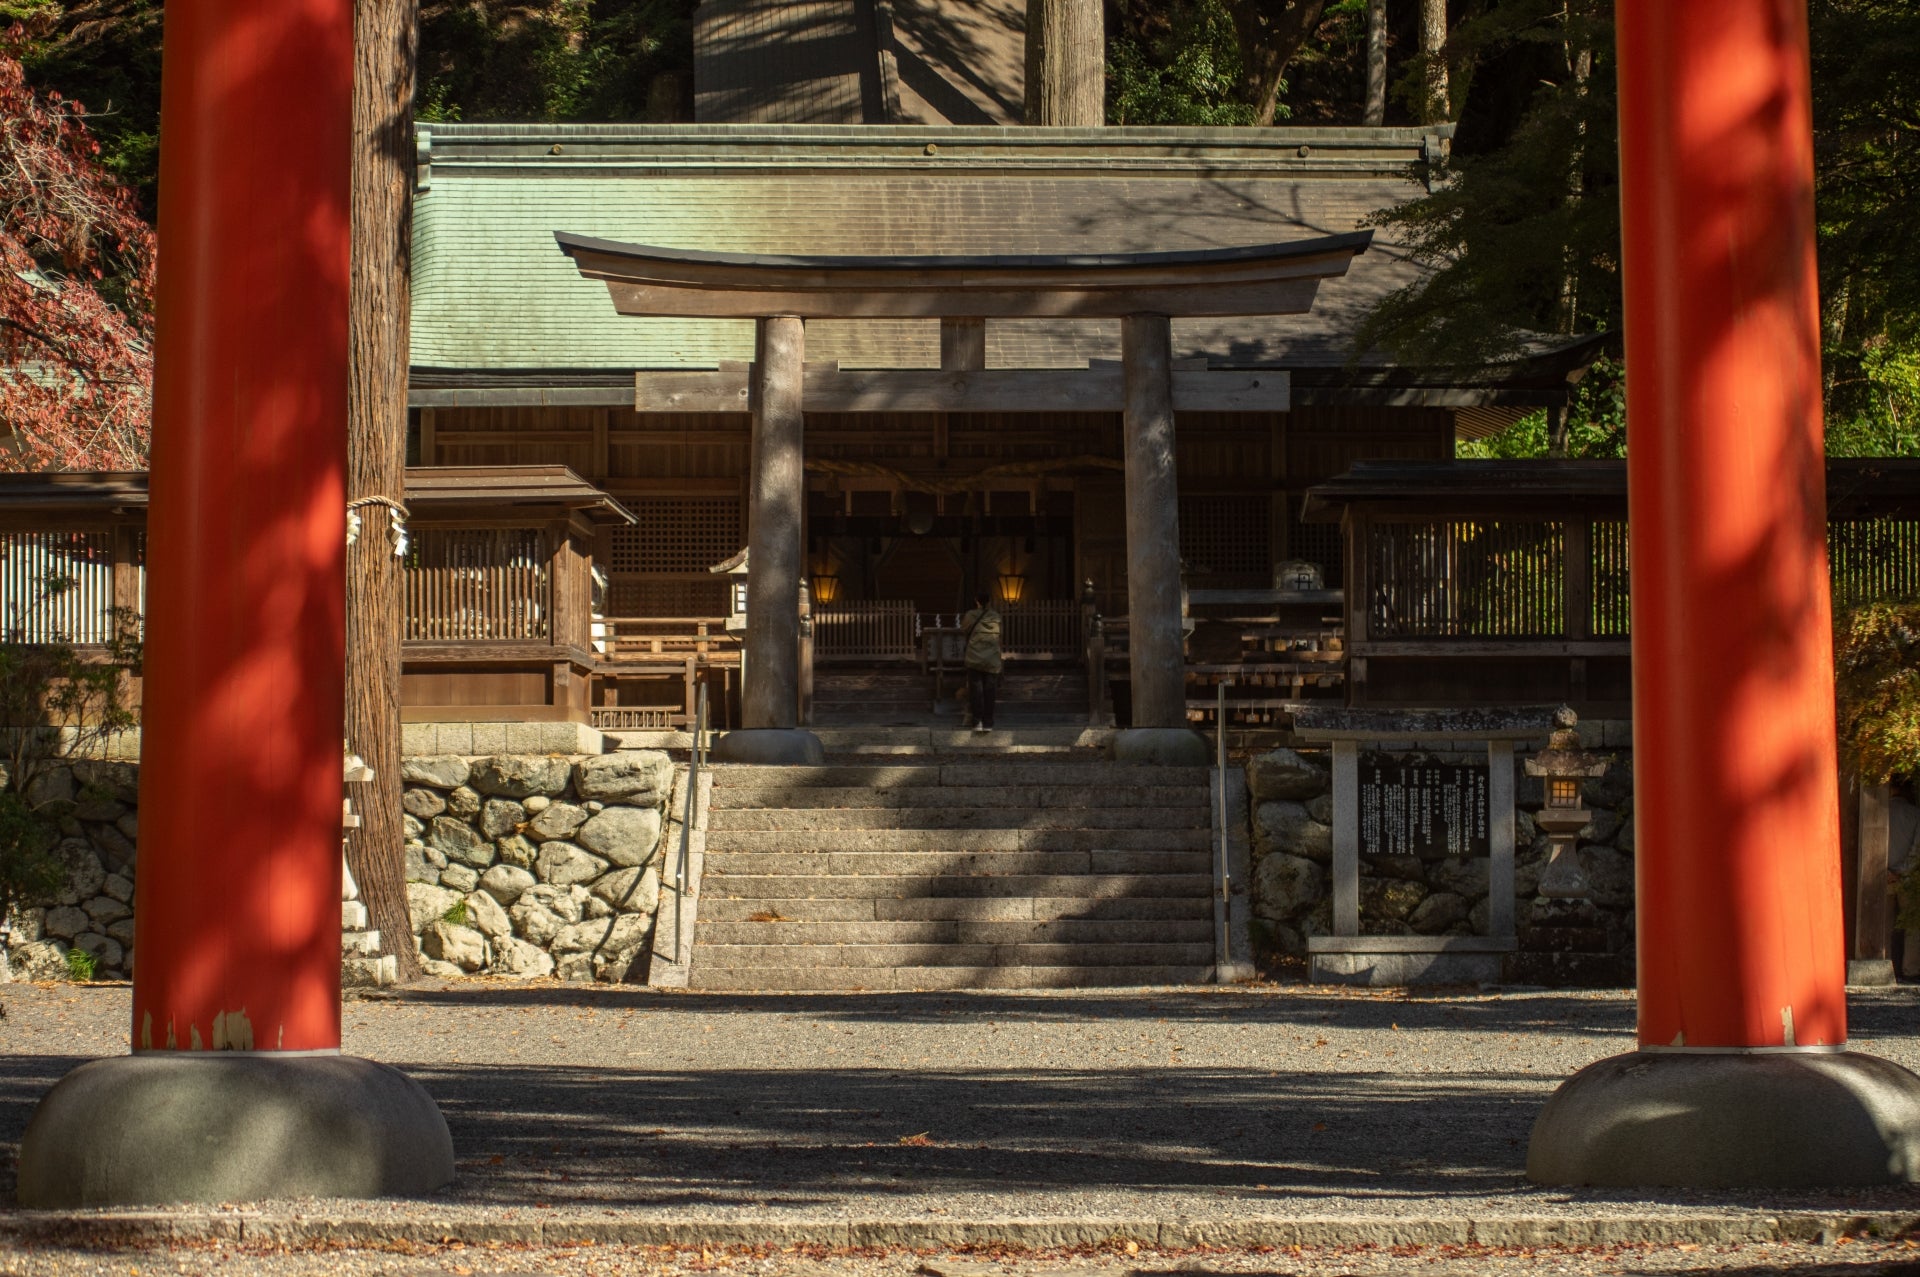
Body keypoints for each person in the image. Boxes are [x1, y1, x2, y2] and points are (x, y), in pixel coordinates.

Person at [959, 591, 1003, 733]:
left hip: (974, 657)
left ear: (976, 601)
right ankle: (988, 722)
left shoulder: (971, 615)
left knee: (976, 690)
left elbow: (964, 629)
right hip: (992, 658)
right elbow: (1000, 636)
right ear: (989, 601)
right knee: (990, 691)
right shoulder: (996, 616)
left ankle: (977, 721)